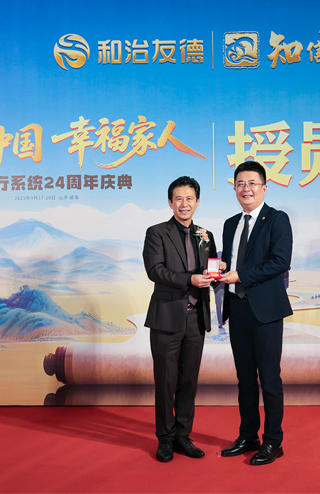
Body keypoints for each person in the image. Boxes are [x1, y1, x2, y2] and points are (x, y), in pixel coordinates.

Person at [218, 160, 293, 466]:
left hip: (266, 312)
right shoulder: (229, 224)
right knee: (245, 379)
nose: (246, 189)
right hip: (237, 309)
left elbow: (280, 261)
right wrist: (221, 271)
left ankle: (273, 441)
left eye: (252, 183)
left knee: (270, 378)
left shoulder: (277, 219)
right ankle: (248, 436)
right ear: (234, 188)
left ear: (264, 187)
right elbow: (231, 262)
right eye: (240, 183)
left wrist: (241, 276)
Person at [142, 175, 217, 462]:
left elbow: (209, 272)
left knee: (189, 381)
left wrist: (217, 271)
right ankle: (165, 438)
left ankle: (183, 436)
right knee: (165, 382)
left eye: (189, 198)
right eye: (179, 199)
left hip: (196, 318)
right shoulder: (156, 233)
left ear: (197, 202)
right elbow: (155, 270)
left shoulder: (205, 235)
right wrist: (190, 279)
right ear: (170, 202)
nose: (184, 204)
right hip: (166, 319)